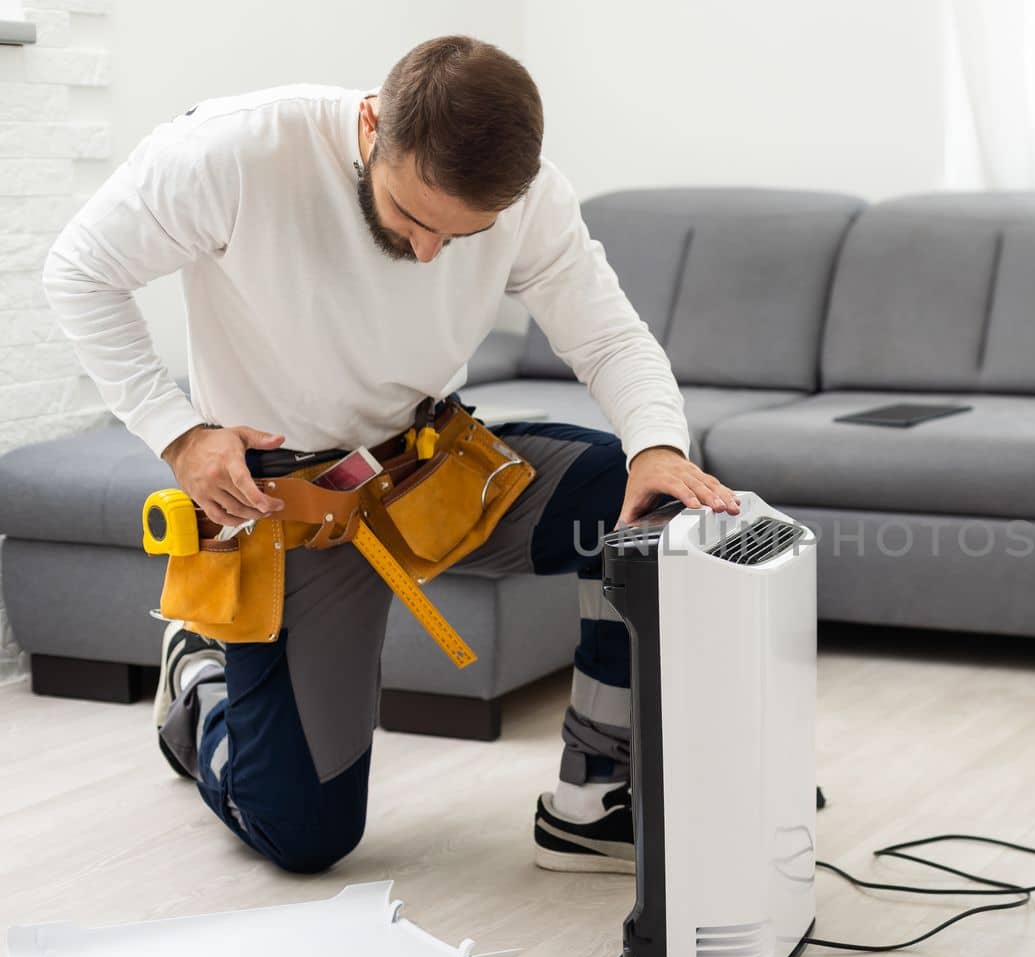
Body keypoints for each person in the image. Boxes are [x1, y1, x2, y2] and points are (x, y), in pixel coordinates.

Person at [42, 35, 738, 875]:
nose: (428, 253)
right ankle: (201, 683)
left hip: (435, 471)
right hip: (290, 510)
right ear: (372, 124)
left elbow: (610, 337)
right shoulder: (234, 151)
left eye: (461, 235)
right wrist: (181, 433)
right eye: (413, 217)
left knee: (661, 517)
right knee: (302, 836)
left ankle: (596, 795)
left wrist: (658, 446)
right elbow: (79, 272)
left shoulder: (531, 199)